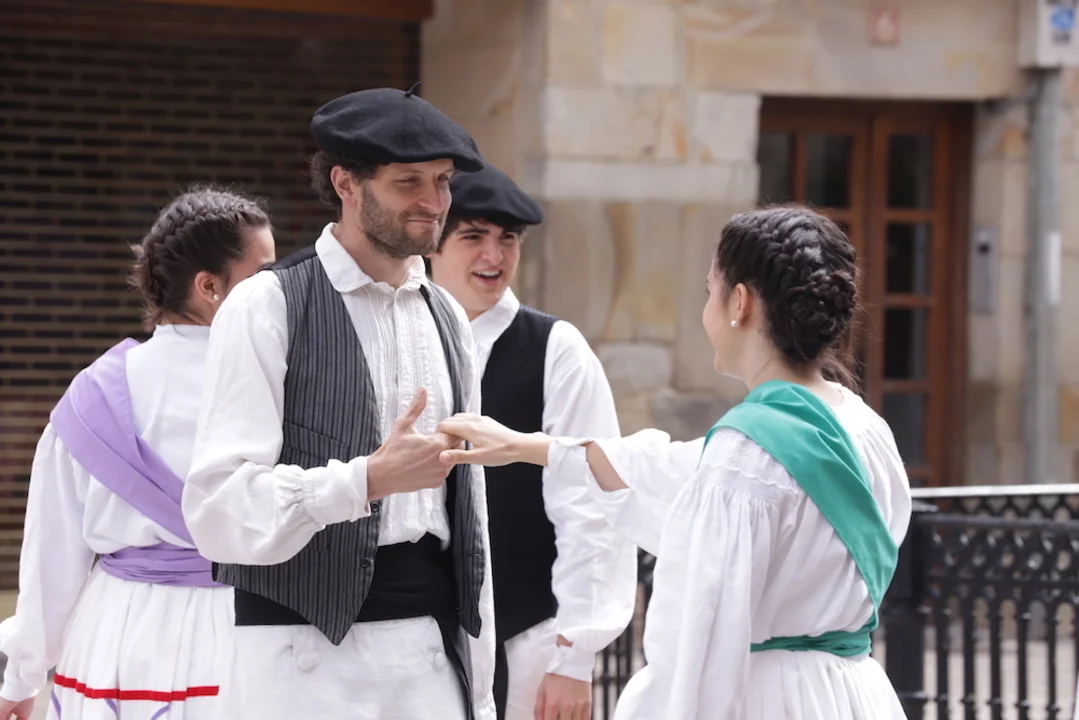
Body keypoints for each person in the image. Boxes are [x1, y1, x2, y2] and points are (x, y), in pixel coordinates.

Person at [438, 205, 913, 719]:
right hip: (854, 693)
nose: (706, 310)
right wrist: (530, 447)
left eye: (709, 291)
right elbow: (666, 467)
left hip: (769, 698)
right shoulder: (866, 428)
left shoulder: (744, 457)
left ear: (740, 302)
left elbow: (700, 649)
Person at [182, 86, 497, 720]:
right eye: (409, 181)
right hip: (301, 658)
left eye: (442, 181)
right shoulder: (267, 303)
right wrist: (364, 480)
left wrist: (482, 691)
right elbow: (217, 510)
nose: (435, 202)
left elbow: (472, 514)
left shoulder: (446, 315)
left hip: (430, 655)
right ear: (345, 182)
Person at [0, 187, 276, 720]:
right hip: (256, 627)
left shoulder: (92, 396)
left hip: (121, 633)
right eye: (264, 275)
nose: (278, 290)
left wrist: (22, 675)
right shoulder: (280, 385)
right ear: (209, 286)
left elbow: (51, 559)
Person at [426, 164, 637, 720]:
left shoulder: (556, 349)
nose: (493, 256)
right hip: (414, 641)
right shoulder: (404, 338)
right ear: (433, 244)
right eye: (473, 236)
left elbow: (592, 504)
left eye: (508, 239)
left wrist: (573, 658)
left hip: (528, 641)